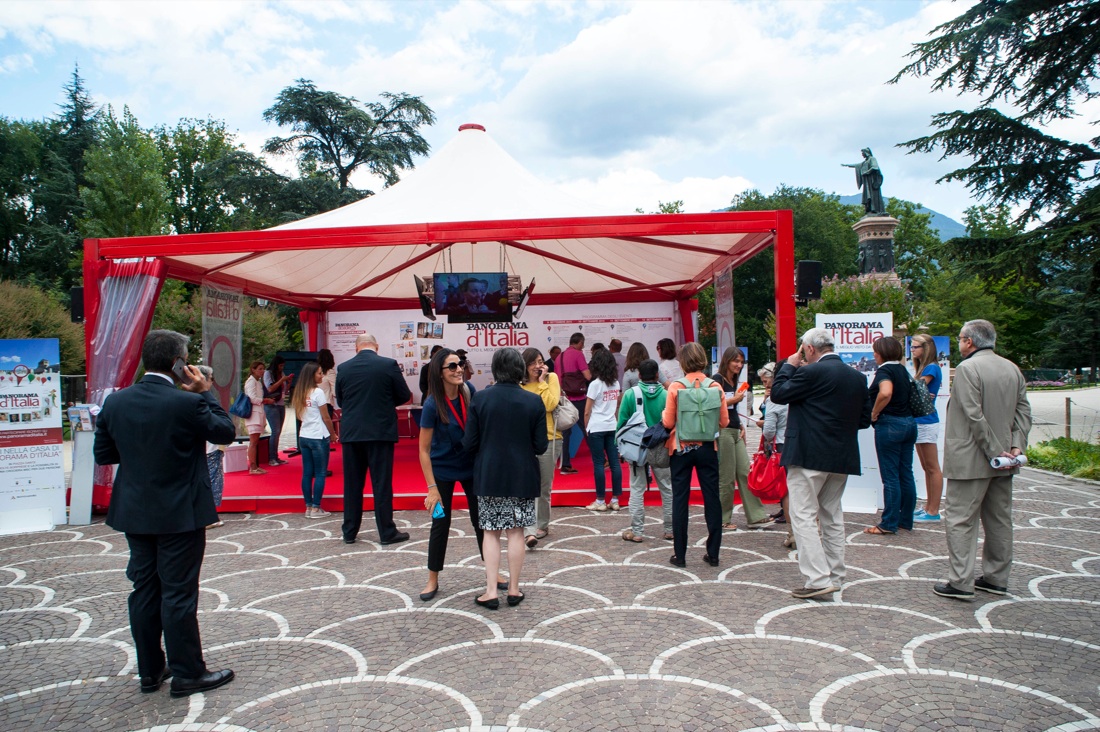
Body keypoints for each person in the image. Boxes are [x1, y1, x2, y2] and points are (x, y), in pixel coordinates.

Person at [93, 330, 236, 697]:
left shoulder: (116, 403)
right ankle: (188, 672)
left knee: (144, 589)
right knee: (178, 593)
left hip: (134, 511)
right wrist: (205, 391)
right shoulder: (186, 404)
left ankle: (150, 670)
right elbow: (225, 432)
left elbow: (104, 455)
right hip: (179, 513)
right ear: (178, 363)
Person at [770, 328, 872, 600]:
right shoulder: (857, 377)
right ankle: (836, 575)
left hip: (807, 455)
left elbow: (778, 393)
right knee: (832, 515)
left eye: (803, 349)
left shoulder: (809, 372)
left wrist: (789, 366)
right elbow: (864, 420)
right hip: (841, 456)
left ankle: (817, 579)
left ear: (810, 349)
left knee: (803, 516)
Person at [934, 320, 1031, 601]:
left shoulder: (967, 368)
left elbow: (973, 414)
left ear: (970, 341)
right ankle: (996, 578)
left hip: (972, 459)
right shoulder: (1011, 368)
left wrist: (993, 451)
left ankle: (960, 581)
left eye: (961, 338)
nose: (959, 343)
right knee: (999, 519)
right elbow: (1023, 411)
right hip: (1006, 460)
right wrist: (1015, 446)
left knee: (960, 519)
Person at [463, 348, 548, 609]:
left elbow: (470, 442)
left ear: (495, 369)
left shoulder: (481, 399)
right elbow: (541, 446)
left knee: (490, 532)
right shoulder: (533, 401)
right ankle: (513, 589)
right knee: (516, 532)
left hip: (489, 473)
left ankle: (490, 590)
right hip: (522, 474)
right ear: (520, 369)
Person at [418, 349, 501, 601]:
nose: (458, 369)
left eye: (460, 364)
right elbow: (423, 450)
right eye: (451, 366)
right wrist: (431, 487)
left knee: (482, 520)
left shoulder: (469, 392)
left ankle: (493, 573)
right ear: (439, 373)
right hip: (441, 472)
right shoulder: (432, 403)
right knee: (440, 523)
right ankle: (432, 578)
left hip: (470, 468)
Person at [336, 333, 413, 545]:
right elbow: (403, 394)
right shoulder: (388, 365)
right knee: (381, 483)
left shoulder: (344, 368)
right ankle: (387, 532)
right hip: (380, 431)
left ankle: (349, 531)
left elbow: (341, 399)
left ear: (356, 348)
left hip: (352, 432)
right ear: (376, 347)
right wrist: (386, 403)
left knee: (352, 484)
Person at [661, 342, 729, 568]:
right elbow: (724, 422)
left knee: (680, 499)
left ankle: (679, 555)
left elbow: (668, 422)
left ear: (683, 362)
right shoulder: (715, 386)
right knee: (712, 499)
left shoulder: (676, 387)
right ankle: (714, 553)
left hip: (681, 447)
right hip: (708, 447)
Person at [712, 346, 772, 531]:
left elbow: (731, 409)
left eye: (741, 362)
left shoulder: (733, 380)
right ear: (727, 361)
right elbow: (714, 404)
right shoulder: (717, 380)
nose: (739, 365)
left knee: (746, 473)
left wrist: (740, 426)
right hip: (723, 432)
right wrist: (733, 400)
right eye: (735, 361)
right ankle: (722, 518)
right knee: (727, 477)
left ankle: (756, 516)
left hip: (735, 430)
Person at [864, 336, 918, 536]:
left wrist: (874, 412)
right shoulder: (903, 370)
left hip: (890, 424)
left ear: (882, 353)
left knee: (890, 476)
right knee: (906, 473)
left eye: (875, 351)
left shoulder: (885, 370)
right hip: (908, 423)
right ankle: (905, 520)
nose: (874, 354)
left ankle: (888, 523)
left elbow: (885, 392)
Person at [617, 359, 673, 542]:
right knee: (667, 488)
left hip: (637, 448)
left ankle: (637, 531)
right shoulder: (666, 395)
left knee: (637, 489)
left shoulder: (630, 395)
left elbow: (621, 424)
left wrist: (619, 448)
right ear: (657, 375)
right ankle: (670, 529)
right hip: (662, 447)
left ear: (639, 375)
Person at [520, 347, 562, 548]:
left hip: (550, 438)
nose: (539, 366)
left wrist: (542, 383)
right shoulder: (519, 385)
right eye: (534, 363)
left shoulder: (551, 378)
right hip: (525, 440)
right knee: (525, 485)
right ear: (525, 365)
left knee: (544, 486)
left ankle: (542, 525)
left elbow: (551, 404)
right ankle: (528, 530)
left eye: (541, 361)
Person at [290, 361, 337, 519]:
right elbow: (326, 417)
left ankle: (308, 506)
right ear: (312, 375)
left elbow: (298, 415)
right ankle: (316, 508)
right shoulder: (317, 392)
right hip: (318, 436)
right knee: (320, 473)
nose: (321, 375)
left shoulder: (299, 392)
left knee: (307, 473)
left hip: (304, 435)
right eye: (319, 373)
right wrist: (333, 434)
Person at [758, 362, 792, 546]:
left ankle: (793, 533)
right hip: (802, 444)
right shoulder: (800, 393)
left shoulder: (775, 400)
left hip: (782, 444)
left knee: (787, 491)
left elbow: (769, 430)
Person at [584, 348, 623, 511]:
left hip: (597, 427)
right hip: (611, 426)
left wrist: (587, 427)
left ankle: (600, 501)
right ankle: (615, 500)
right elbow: (617, 406)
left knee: (599, 463)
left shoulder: (595, 384)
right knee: (615, 463)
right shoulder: (616, 383)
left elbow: (587, 410)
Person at [910, 334, 943, 521]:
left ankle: (934, 510)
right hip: (921, 420)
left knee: (932, 467)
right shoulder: (924, 367)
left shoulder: (931, 367)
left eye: (915, 347)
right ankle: (930, 507)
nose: (912, 351)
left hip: (927, 420)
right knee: (927, 467)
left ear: (926, 348)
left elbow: (917, 388)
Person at [555, 332, 591, 475]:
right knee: (586, 428)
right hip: (578, 398)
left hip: (563, 398)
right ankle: (600, 458)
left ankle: (565, 464)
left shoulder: (559, 357)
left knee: (565, 433)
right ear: (580, 343)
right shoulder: (578, 354)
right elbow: (587, 375)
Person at [197, 365, 228, 529]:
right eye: (211, 378)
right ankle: (209, 516)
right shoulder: (203, 400)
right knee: (211, 481)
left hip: (206, 447)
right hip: (209, 447)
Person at [262, 355, 292, 466]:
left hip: (280, 403)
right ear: (276, 365)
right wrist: (281, 380)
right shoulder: (268, 373)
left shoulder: (282, 374)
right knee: (275, 431)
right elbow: (270, 388)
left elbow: (284, 391)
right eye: (280, 365)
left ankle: (276, 456)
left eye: (283, 366)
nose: (282, 368)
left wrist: (288, 383)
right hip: (271, 404)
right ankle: (272, 458)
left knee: (278, 431)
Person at [243, 360, 271, 475]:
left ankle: (255, 465)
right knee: (253, 441)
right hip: (253, 414)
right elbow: (252, 398)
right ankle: (253, 467)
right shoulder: (251, 382)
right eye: (259, 369)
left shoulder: (257, 382)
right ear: (253, 369)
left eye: (263, 369)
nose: (262, 371)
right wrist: (264, 400)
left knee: (255, 441)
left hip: (258, 413)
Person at [842, 147, 885, 216]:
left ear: (866, 153)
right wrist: (847, 165)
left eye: (863, 153)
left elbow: (875, 167)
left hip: (872, 181)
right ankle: (870, 209)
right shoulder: (865, 162)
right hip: (867, 182)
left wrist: (867, 172)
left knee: (873, 195)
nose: (862, 155)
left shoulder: (872, 159)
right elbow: (857, 165)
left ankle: (876, 209)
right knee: (868, 195)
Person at [318, 348, 339, 442]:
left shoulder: (315, 371)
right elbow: (335, 392)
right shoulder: (330, 372)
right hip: (326, 403)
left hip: (314, 402)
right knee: (325, 429)